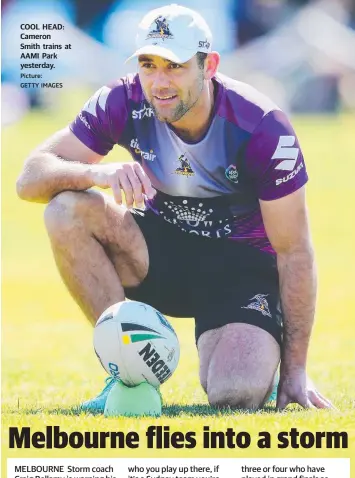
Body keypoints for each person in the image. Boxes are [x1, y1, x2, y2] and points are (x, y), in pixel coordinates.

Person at [17, 4, 333, 413]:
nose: (160, 82)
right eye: (149, 65)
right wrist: (98, 174)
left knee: (235, 396)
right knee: (65, 211)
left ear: (210, 65)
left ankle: (260, 364)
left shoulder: (262, 127)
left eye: (175, 66)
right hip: (159, 255)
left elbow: (295, 252)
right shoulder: (123, 97)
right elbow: (30, 178)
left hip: (240, 273)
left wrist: (295, 371)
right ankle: (127, 376)